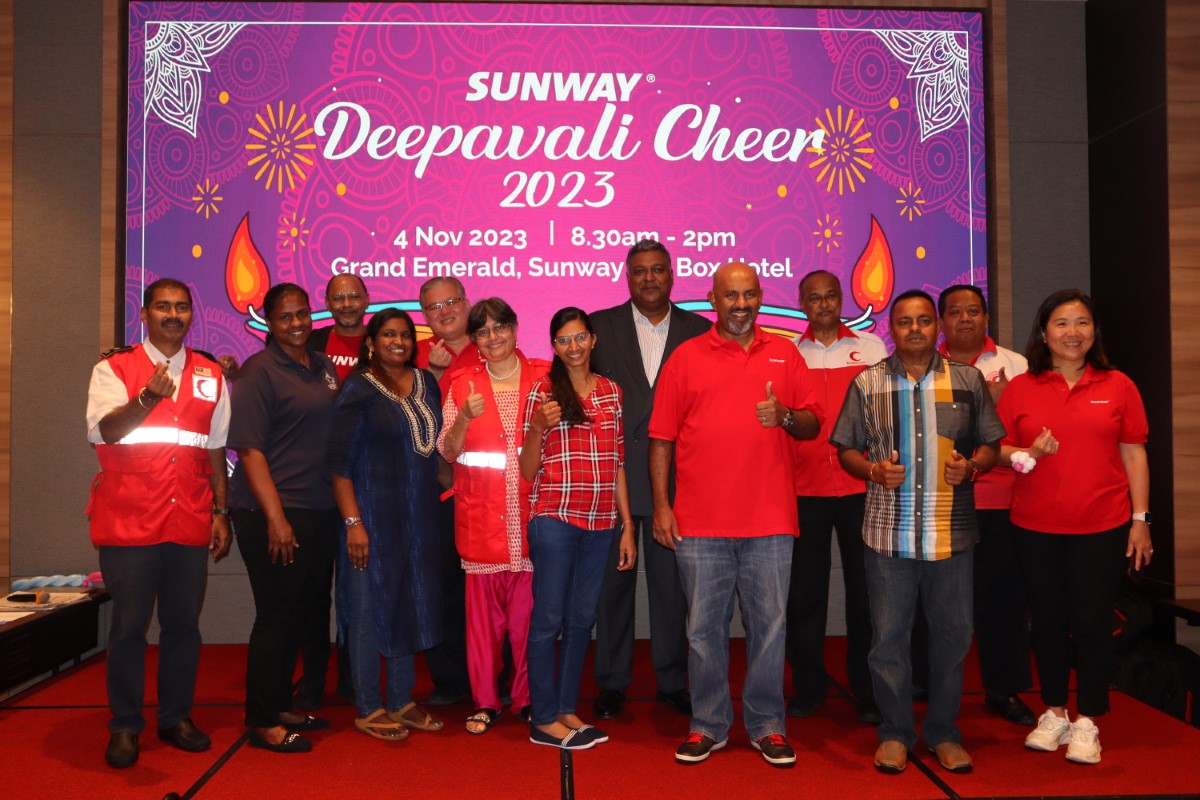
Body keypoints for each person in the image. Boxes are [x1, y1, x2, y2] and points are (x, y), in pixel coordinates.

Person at [649, 262, 821, 768]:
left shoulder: (785, 353)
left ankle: (767, 725)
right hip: (700, 523)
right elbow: (661, 437)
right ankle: (708, 724)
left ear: (761, 296)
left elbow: (811, 424)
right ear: (713, 299)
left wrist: (784, 416)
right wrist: (661, 505)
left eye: (749, 294)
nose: (740, 305)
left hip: (769, 520)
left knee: (770, 628)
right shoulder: (686, 356)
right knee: (703, 630)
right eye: (730, 295)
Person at [831, 289, 1004, 775]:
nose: (915, 329)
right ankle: (894, 733)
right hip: (888, 536)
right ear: (892, 328)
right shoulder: (867, 383)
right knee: (887, 640)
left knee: (952, 638)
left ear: (936, 327)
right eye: (905, 321)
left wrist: (971, 468)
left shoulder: (968, 380)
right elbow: (845, 448)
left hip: (952, 534)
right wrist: (870, 472)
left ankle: (945, 732)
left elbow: (992, 444)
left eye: (924, 321)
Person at [997, 289, 1151, 765]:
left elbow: (1133, 452)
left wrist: (1140, 519)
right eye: (1061, 323)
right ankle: (1055, 711)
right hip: (1035, 524)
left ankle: (1088, 720)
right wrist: (1030, 455)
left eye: (1082, 323)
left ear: (1093, 331)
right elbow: (997, 450)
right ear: (1044, 332)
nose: (1072, 333)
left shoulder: (1118, 384)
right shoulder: (1022, 387)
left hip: (1101, 524)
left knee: (1091, 623)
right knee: (1045, 621)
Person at [86, 278, 232, 768]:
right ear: (144, 314)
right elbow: (103, 431)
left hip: (189, 518)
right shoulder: (113, 367)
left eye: (182, 307)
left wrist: (221, 511)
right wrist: (147, 398)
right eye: (163, 307)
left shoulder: (211, 372)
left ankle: (175, 718)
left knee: (182, 627)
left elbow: (214, 450)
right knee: (128, 628)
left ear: (192, 314)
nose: (174, 315)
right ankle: (125, 725)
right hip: (129, 521)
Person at [588, 239, 708, 721]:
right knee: (611, 592)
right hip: (612, 482)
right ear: (627, 276)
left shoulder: (700, 330)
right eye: (640, 271)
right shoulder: (598, 328)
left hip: (678, 484)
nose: (649, 278)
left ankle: (672, 681)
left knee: (671, 590)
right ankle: (613, 683)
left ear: (672, 274)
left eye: (658, 270)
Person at [228, 283, 340, 753]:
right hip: (271, 511)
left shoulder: (322, 366)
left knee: (299, 612)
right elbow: (250, 452)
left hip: (317, 508)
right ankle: (261, 720)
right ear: (269, 324)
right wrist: (276, 519)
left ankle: (280, 703)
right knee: (275, 615)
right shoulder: (259, 372)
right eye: (285, 317)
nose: (296, 323)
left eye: (301, 314)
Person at [328, 308, 447, 740]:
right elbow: (338, 466)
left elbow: (435, 453)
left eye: (405, 335)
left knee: (409, 603)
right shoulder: (358, 388)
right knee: (366, 612)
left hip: (417, 519)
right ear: (371, 343)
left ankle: (401, 699)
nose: (399, 341)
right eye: (389, 335)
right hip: (371, 518)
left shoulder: (426, 383)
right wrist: (353, 523)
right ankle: (368, 705)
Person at [520, 307, 635, 750]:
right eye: (564, 340)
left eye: (580, 337)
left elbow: (618, 463)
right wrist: (535, 428)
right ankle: (543, 717)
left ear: (592, 340)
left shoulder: (611, 392)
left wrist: (626, 526)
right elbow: (529, 468)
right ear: (554, 346)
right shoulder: (544, 392)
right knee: (548, 618)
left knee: (582, 618)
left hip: (602, 522)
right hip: (555, 518)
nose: (573, 346)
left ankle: (566, 709)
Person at [438, 298, 548, 735]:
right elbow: (447, 450)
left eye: (500, 327)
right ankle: (485, 701)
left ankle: (525, 698)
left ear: (515, 328)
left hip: (532, 521)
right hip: (480, 521)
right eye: (483, 332)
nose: (493, 337)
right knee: (483, 628)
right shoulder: (461, 382)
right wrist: (464, 417)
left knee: (527, 623)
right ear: (476, 340)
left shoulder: (544, 377)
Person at [786, 270, 887, 725]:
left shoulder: (871, 348)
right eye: (814, 298)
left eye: (830, 296)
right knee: (805, 594)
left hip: (860, 486)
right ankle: (808, 688)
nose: (823, 304)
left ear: (840, 299)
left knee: (866, 595)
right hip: (803, 488)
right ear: (802, 303)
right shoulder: (788, 353)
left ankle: (867, 690)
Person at [936, 284, 1035, 726]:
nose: (965, 319)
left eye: (973, 311)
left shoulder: (1015, 365)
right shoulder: (923, 362)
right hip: (937, 498)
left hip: (998, 499)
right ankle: (926, 684)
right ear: (942, 322)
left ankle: (1003, 688)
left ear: (987, 317)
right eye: (955, 312)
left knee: (1003, 600)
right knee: (934, 599)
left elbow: (1024, 430)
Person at [297, 272, 370, 708]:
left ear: (366, 299)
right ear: (328, 302)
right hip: (315, 482)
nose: (345, 304)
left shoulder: (383, 342)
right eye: (337, 297)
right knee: (314, 587)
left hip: (366, 480)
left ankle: (352, 676)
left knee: (355, 588)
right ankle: (313, 679)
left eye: (352, 296)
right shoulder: (311, 346)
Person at [415, 276, 480, 706]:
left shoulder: (494, 344)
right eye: (434, 307)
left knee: (489, 589)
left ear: (467, 303)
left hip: (486, 491)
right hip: (432, 497)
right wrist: (434, 374)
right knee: (440, 589)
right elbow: (413, 422)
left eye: (452, 302)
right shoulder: (414, 357)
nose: (444, 312)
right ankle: (451, 680)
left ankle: (496, 678)